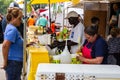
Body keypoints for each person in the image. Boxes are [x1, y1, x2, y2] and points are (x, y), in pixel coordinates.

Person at [1, 7, 23, 80]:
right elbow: (5, 45)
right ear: (13, 18)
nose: (21, 21)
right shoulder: (13, 29)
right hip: (14, 62)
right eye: (19, 18)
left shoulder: (11, 27)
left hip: (14, 62)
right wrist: (5, 62)